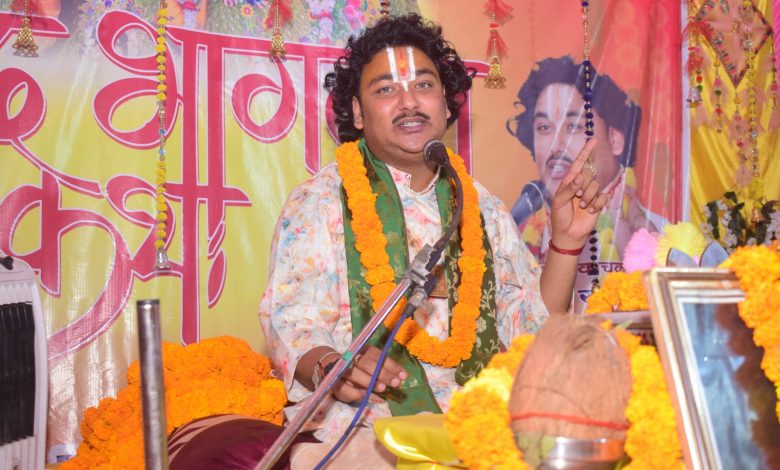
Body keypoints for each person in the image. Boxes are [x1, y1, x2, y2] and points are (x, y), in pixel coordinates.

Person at [259, 16, 606, 467]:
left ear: (445, 103)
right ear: (358, 113)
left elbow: (533, 329)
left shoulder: (480, 206)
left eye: (423, 85)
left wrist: (566, 243)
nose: (409, 102)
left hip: (481, 422)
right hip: (366, 424)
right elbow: (293, 322)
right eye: (386, 89)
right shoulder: (321, 201)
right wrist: (332, 365)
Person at [507, 56, 663, 311]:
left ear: (615, 140)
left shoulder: (658, 232)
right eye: (544, 127)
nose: (556, 146)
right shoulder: (514, 233)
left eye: (573, 126)